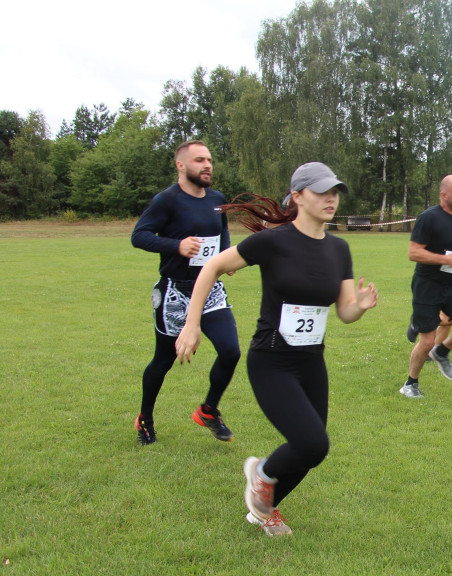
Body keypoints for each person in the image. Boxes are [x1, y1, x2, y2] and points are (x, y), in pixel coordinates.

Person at [175, 162, 378, 536]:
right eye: (322, 191)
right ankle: (260, 473)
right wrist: (191, 324)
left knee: (313, 450)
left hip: (311, 363)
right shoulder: (273, 242)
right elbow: (212, 267)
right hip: (271, 361)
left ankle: (263, 509)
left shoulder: (339, 249)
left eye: (335, 191)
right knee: (310, 441)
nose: (331, 198)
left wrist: (359, 307)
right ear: (298, 197)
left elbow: (345, 311)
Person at [129, 139, 240, 445]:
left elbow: (223, 231)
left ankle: (208, 410)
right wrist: (175, 245)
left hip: (212, 290)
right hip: (176, 292)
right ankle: (145, 418)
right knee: (163, 362)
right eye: (199, 160)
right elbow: (139, 236)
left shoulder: (217, 198)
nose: (207, 165)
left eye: (209, 160)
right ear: (181, 165)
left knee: (231, 351)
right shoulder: (167, 200)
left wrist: (227, 256)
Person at [400, 175, 452, 398]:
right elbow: (413, 252)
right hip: (427, 285)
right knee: (426, 341)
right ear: (444, 195)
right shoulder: (429, 218)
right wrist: (447, 261)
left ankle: (442, 351)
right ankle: (410, 384)